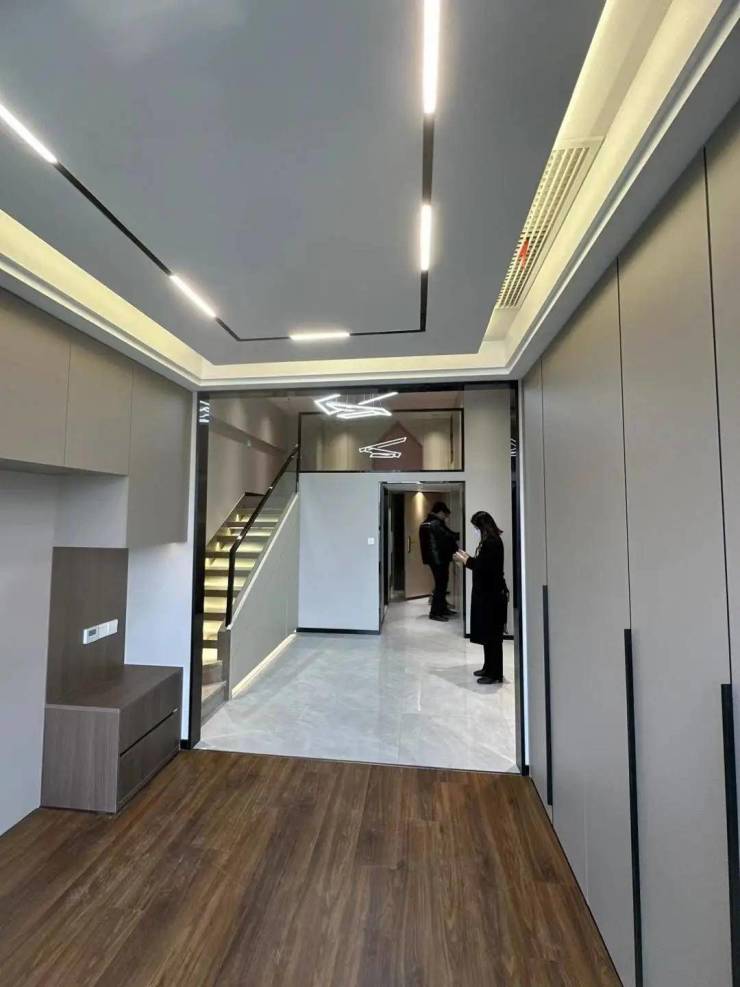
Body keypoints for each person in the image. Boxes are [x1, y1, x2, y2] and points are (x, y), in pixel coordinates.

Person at [454, 511, 508, 684]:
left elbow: (484, 567)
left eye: (476, 527)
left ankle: (494, 673)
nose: (475, 530)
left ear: (483, 526)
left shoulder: (492, 543)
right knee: (488, 634)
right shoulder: (489, 541)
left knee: (493, 636)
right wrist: (468, 559)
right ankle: (488, 667)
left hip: (491, 596)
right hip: (487, 594)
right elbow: (482, 564)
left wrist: (466, 560)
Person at [419, 501, 459, 622]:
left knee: (441, 585)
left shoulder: (426, 522)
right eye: (445, 515)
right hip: (439, 559)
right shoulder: (435, 523)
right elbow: (448, 536)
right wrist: (461, 535)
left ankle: (442, 609)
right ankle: (435, 612)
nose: (445, 518)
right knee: (441, 586)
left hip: (433, 559)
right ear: (440, 512)